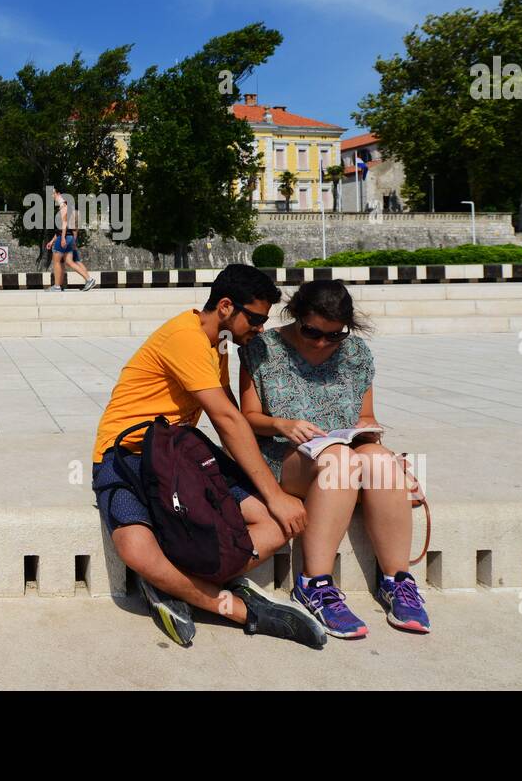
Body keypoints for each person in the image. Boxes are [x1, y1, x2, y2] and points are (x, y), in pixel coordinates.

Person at [91, 263, 326, 648]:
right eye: (255, 318)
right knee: (135, 549)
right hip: (126, 453)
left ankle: (172, 585)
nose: (260, 328)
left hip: (178, 451)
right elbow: (227, 420)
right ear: (226, 307)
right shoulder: (183, 337)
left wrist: (273, 478)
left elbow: (230, 417)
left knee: (273, 526)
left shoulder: (215, 342)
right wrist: (277, 495)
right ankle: (229, 606)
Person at [238, 279, 430, 637]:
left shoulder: (356, 353)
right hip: (286, 456)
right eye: (312, 332)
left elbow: (366, 419)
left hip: (343, 452)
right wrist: (282, 423)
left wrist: (380, 445)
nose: (323, 342)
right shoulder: (261, 348)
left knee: (379, 461)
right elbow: (246, 419)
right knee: (340, 459)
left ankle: (397, 580)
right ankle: (314, 584)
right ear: (295, 315)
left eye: (334, 335)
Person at [45, 188, 96, 291]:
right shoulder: (64, 207)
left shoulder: (63, 207)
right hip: (67, 237)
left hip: (64, 237)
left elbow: (64, 225)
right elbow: (60, 229)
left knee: (56, 261)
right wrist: (51, 241)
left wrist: (63, 238)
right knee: (69, 261)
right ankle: (89, 279)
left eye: (53, 194)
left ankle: (57, 286)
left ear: (58, 194)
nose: (52, 196)